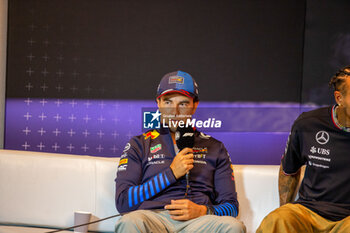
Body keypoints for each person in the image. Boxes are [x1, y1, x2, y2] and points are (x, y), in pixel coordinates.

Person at [114, 71, 246, 233]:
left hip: (199, 222)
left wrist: (203, 210)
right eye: (168, 102)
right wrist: (171, 173)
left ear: (195, 105)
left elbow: (232, 207)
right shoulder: (139, 144)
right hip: (153, 218)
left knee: (233, 226)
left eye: (183, 104)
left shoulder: (215, 147)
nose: (174, 111)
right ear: (158, 103)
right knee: (130, 221)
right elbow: (123, 202)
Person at [257, 65, 350, 233]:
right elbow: (289, 170)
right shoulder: (309, 123)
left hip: (347, 219)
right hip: (309, 211)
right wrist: (285, 209)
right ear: (339, 98)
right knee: (277, 220)